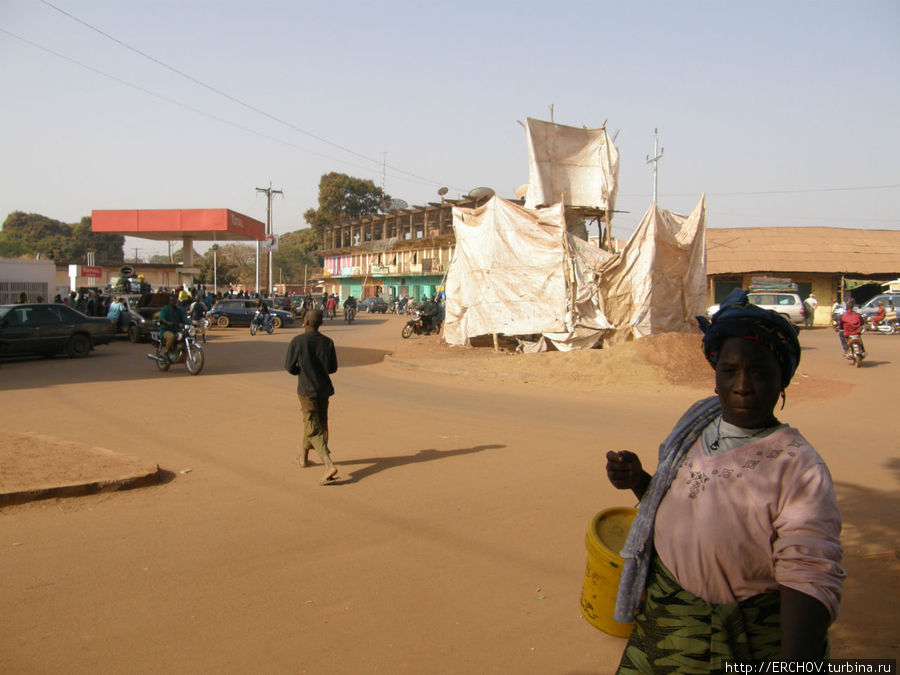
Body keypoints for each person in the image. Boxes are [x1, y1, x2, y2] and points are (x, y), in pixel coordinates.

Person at [606, 289, 844, 670]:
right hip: (666, 621)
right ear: (715, 376)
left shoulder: (799, 466)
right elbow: (674, 500)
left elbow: (810, 577)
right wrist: (639, 481)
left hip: (747, 638)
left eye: (761, 372)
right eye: (729, 371)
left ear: (782, 380)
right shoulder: (697, 424)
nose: (743, 384)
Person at [284, 309, 339, 485]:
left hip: (307, 390)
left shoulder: (298, 341)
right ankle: (304, 458)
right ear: (321, 323)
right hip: (323, 390)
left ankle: (328, 464)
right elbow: (332, 368)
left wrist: (303, 370)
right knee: (317, 424)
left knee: (312, 425)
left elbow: (290, 367)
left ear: (304, 321)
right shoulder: (328, 342)